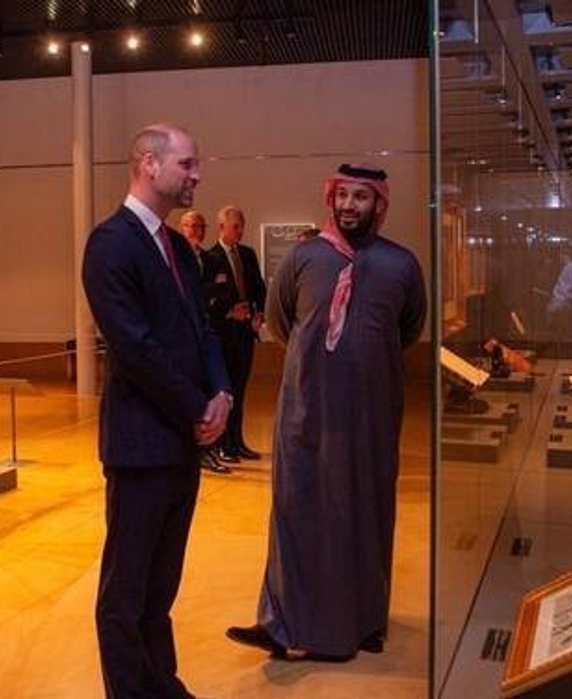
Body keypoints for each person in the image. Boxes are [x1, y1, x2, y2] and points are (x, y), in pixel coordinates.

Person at [227, 163, 427, 661]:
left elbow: (409, 330)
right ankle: (280, 623)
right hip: (306, 413)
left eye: (362, 197)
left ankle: (365, 623)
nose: (350, 206)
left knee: (366, 510)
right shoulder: (303, 256)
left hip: (370, 417)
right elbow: (279, 322)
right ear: (330, 199)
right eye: (343, 196)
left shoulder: (401, 265)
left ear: (378, 204)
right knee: (297, 510)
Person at [81, 124, 233, 698]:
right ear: (148, 163)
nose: (196, 175)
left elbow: (202, 331)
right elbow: (134, 349)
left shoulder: (176, 248)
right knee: (125, 593)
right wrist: (198, 407)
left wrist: (222, 394)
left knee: (161, 587)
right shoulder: (110, 244)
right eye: (187, 164)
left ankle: (162, 684)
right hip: (142, 445)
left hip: (180, 443)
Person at [202, 205, 267, 462]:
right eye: (235, 226)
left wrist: (259, 314)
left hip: (245, 334)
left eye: (242, 226)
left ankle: (237, 442)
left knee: (240, 390)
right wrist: (229, 312)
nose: (240, 231)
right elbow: (206, 300)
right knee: (224, 392)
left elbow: (259, 288)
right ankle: (222, 445)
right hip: (223, 335)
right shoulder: (211, 258)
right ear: (222, 227)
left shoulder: (248, 255)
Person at [178, 209, 232, 475]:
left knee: (217, 394)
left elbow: (224, 288)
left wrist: (204, 293)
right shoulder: (175, 258)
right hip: (186, 341)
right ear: (181, 227)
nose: (196, 231)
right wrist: (205, 293)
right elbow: (191, 295)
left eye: (200, 226)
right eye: (191, 226)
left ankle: (213, 449)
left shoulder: (210, 258)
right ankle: (198, 450)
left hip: (211, 332)